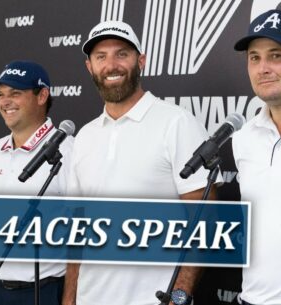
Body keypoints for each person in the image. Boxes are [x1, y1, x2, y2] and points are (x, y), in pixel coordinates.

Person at [63, 20, 219, 305]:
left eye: (122, 53)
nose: (111, 65)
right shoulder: (85, 136)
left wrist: (180, 295)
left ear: (141, 61)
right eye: (101, 56)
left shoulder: (176, 123)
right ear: (90, 67)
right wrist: (69, 298)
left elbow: (205, 218)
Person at [0, 60, 73, 305]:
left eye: (15, 93)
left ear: (42, 95)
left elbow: (83, 230)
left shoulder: (69, 150)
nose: (5, 102)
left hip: (46, 290)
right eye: (1, 95)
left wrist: (69, 297)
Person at [232, 9, 281, 305]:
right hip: (250, 299)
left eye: (276, 55)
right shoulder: (243, 138)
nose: (263, 68)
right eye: (254, 58)